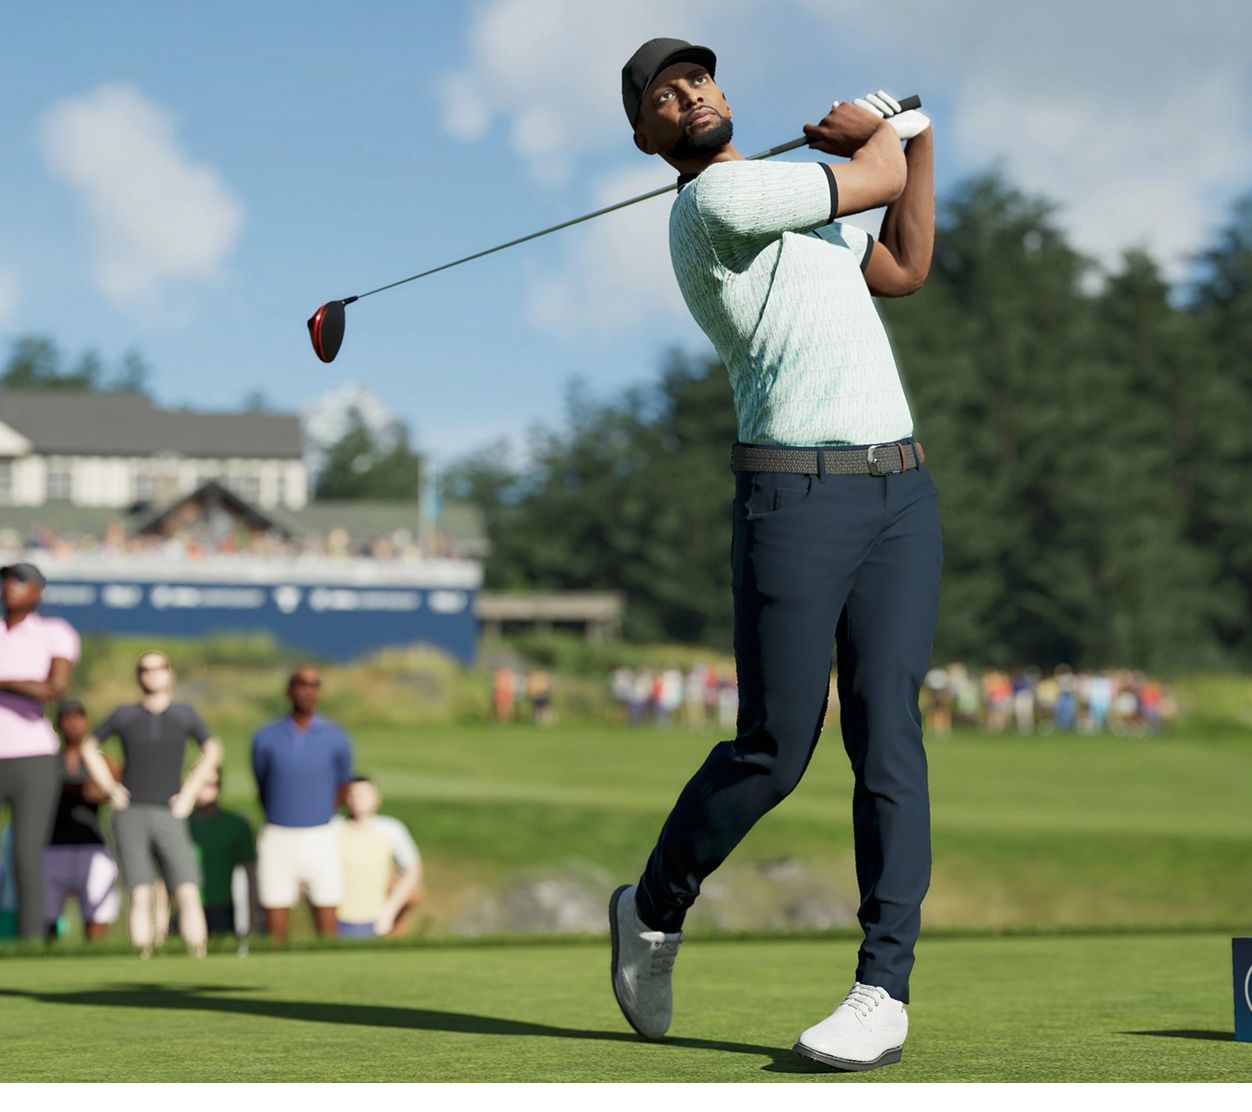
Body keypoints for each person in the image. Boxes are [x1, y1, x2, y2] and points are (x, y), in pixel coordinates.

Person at [609, 39, 939, 1072]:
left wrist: (918, 141)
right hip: (792, 495)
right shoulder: (717, 202)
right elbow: (871, 174)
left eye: (697, 78)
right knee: (775, 748)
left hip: (899, 489)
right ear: (647, 137)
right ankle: (652, 906)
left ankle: (882, 990)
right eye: (664, 96)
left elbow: (904, 266)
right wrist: (880, 139)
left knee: (890, 737)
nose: (688, 94)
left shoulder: (801, 202)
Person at [82, 650, 220, 957]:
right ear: (138, 676)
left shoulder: (184, 714)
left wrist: (189, 793)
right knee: (140, 891)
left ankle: (198, 954)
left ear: (170, 673)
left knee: (187, 888)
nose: (152, 673)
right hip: (131, 812)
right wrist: (110, 787)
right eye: (145, 669)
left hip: (170, 812)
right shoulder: (125, 715)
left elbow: (212, 750)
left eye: (158, 668)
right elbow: (89, 747)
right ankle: (142, 957)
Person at [0, 562, 80, 939]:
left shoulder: (54, 632)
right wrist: (20, 684)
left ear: (38, 592)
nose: (10, 586)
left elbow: (53, 689)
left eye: (20, 581)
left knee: (26, 857)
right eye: (6, 580)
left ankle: (30, 944)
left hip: (33, 759)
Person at [251, 665, 353, 942]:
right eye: (301, 684)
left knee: (328, 922)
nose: (307, 691)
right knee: (274, 925)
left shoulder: (336, 737)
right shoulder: (265, 737)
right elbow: (262, 785)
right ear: (289, 690)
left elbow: (343, 786)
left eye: (313, 685)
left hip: (322, 835)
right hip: (278, 835)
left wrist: (318, 813)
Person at [44, 699, 121, 941]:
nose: (74, 724)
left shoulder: (101, 761)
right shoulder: (49, 760)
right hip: (52, 846)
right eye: (67, 718)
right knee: (46, 917)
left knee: (97, 914)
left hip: (93, 844)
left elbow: (113, 790)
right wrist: (80, 790)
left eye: (78, 717)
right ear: (59, 724)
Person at [332, 776, 422, 938]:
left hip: (376, 919)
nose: (358, 800)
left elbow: (413, 869)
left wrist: (390, 910)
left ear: (376, 799)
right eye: (353, 795)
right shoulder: (333, 828)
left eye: (364, 795)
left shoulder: (391, 829)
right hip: (336, 918)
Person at [188, 770, 258, 940]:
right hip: (187, 905)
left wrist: (252, 918)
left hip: (223, 908)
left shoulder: (236, 826)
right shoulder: (178, 825)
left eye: (210, 785)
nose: (204, 791)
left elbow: (251, 874)